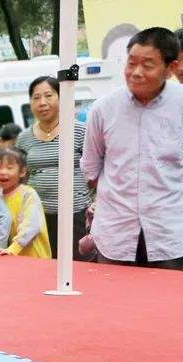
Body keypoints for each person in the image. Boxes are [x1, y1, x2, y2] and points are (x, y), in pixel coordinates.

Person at [81, 27, 183, 269]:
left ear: (171, 68)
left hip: (170, 235)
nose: (136, 72)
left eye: (147, 65)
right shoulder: (104, 108)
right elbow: (91, 168)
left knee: (169, 305)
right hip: (115, 235)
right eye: (131, 63)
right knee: (115, 304)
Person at [15, 76, 90, 260]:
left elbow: (94, 170)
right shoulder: (24, 138)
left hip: (76, 214)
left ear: (61, 97)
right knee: (44, 267)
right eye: (36, 97)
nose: (42, 103)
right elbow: (20, 178)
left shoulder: (80, 131)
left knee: (77, 266)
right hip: (38, 217)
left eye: (49, 96)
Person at [0, 148, 51, 258]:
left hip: (33, 257)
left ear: (22, 172)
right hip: (5, 256)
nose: (3, 172)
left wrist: (14, 248)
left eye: (9, 168)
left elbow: (31, 226)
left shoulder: (28, 194)